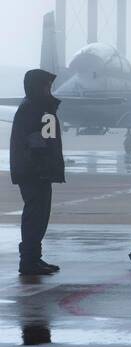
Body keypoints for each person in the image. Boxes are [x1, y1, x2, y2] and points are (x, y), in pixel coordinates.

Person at [9, 68, 64, 276]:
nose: (49, 89)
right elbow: (40, 141)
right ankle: (29, 261)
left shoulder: (35, 107)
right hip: (36, 171)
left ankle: (33, 258)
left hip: (34, 169)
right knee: (36, 216)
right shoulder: (38, 108)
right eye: (46, 85)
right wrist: (45, 166)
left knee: (38, 215)